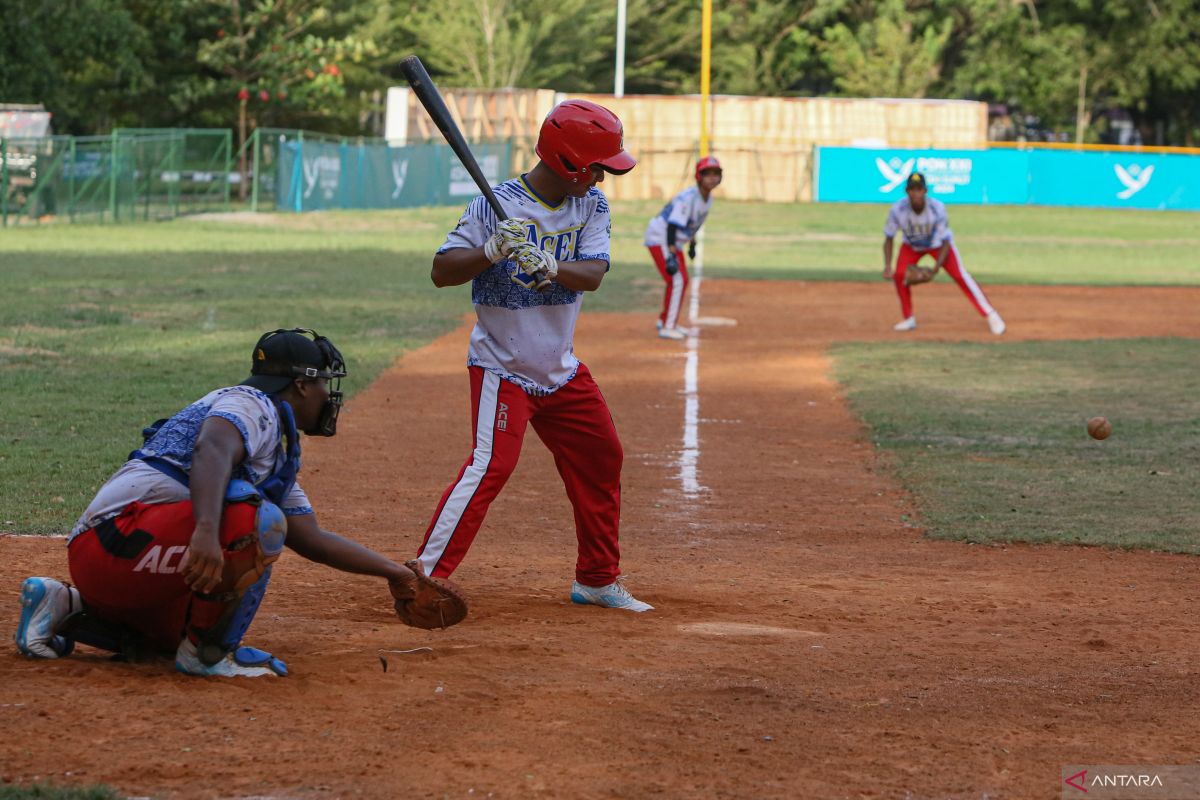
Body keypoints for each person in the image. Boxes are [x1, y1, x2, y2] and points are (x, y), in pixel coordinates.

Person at [14, 328, 421, 677]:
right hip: (115, 541)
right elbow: (211, 449)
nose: (326, 394)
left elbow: (310, 538)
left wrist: (394, 573)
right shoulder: (251, 404)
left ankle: (65, 606)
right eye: (322, 383)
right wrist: (208, 532)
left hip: (117, 557)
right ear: (300, 384)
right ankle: (207, 654)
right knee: (256, 519)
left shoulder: (269, 446)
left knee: (168, 638)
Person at [418, 99, 653, 613]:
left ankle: (596, 578)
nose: (602, 179)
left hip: (560, 370)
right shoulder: (493, 205)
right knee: (491, 466)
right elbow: (441, 271)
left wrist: (552, 264)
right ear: (569, 163)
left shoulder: (590, 205)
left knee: (601, 455)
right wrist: (490, 252)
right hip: (503, 366)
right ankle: (423, 576)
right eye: (597, 168)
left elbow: (593, 272)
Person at [882, 172, 1006, 335]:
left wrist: (935, 269)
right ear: (907, 191)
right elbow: (889, 238)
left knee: (961, 276)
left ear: (925, 191)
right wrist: (887, 266)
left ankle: (991, 314)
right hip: (911, 246)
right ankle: (908, 318)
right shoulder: (898, 210)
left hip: (938, 246)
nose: (916, 193)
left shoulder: (936, 208)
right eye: (912, 189)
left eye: (919, 189)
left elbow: (946, 242)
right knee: (899, 275)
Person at [644, 156, 722, 340]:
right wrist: (671, 253)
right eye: (707, 174)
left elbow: (692, 225)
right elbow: (672, 225)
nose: (712, 178)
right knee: (677, 280)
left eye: (715, 174)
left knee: (681, 280)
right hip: (661, 237)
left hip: (672, 240)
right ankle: (667, 326)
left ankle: (666, 320)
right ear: (699, 176)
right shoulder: (689, 198)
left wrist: (692, 245)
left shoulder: (706, 198)